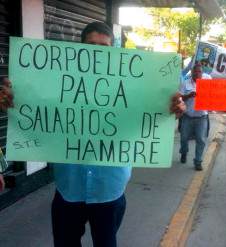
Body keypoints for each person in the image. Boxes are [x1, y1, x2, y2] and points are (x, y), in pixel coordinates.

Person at [0, 21, 185, 247]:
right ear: (80, 49)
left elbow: (148, 115)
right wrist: (15, 99)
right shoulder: (58, 84)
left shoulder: (130, 87)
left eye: (104, 47)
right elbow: (38, 108)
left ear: (113, 52)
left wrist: (172, 110)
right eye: (91, 45)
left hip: (110, 188)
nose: (97, 51)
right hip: (68, 188)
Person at [179, 62, 211, 171]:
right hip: (187, 116)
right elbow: (180, 98)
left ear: (202, 73)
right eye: (195, 71)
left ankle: (198, 161)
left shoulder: (207, 82)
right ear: (191, 73)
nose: (198, 73)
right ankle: (184, 152)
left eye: (200, 72)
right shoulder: (185, 83)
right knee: (184, 138)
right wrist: (188, 95)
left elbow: (215, 96)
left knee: (201, 140)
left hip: (202, 117)